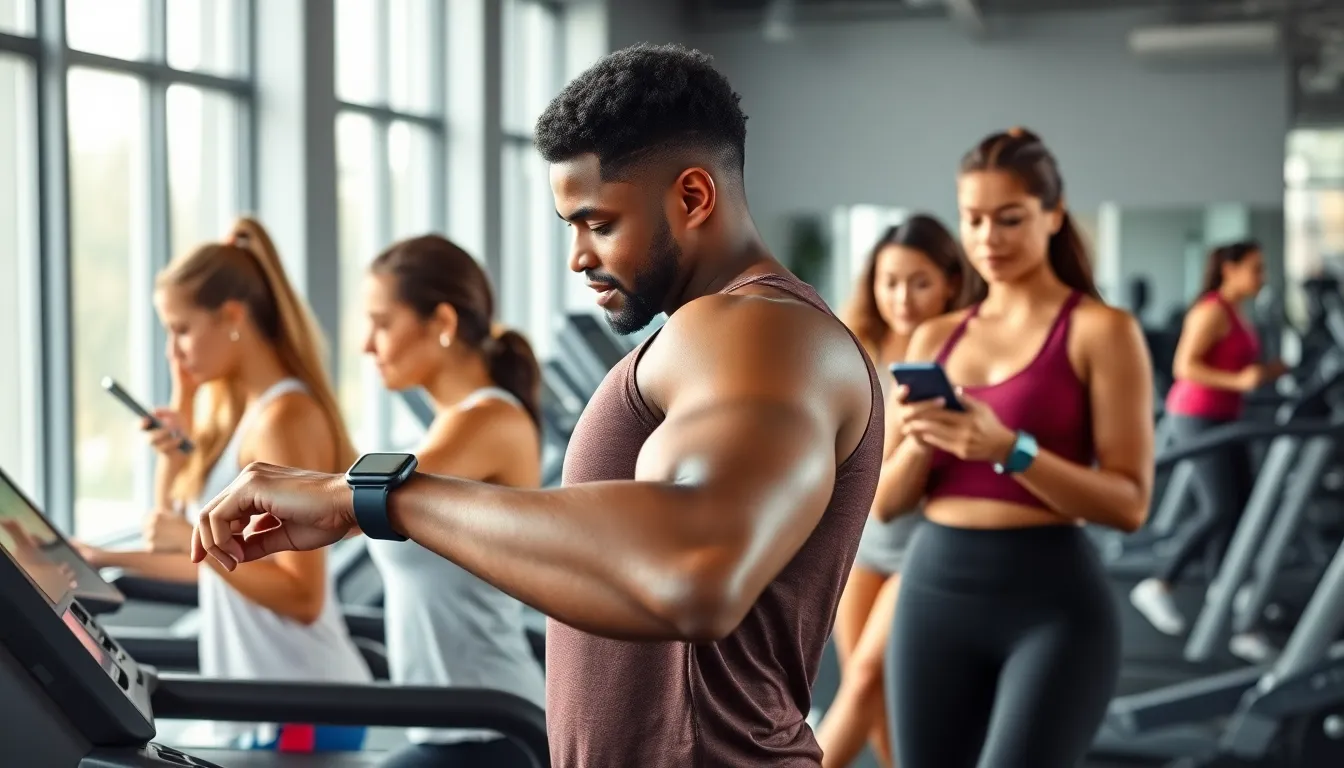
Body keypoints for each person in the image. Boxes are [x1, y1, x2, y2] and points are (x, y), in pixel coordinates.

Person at [188, 43, 883, 768]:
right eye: (571, 227)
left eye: (599, 223)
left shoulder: (758, 330)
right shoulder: (713, 337)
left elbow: (695, 573)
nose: (579, 256)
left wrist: (368, 498)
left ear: (693, 196)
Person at [874, 128, 1154, 768]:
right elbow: (886, 505)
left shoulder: (1100, 331)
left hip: (1050, 603)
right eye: (972, 220)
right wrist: (925, 442)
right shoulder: (934, 338)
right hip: (933, 590)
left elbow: (1130, 505)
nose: (988, 239)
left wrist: (1007, 448)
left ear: (1053, 216)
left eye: (1010, 219)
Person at [76, 218, 372, 751]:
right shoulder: (243, 415)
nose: (174, 350)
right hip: (264, 705)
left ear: (232, 317)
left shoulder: (285, 418)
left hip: (303, 701)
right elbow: (211, 559)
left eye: (181, 329)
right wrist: (100, 557)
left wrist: (192, 538)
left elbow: (301, 595)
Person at [360, 234, 546, 768]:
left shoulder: (489, 419)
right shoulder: (451, 428)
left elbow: (361, 500)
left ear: (440, 323)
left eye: (382, 322)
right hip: (452, 725)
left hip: (491, 731)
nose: (367, 345)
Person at [818, 215, 984, 768]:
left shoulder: (963, 354)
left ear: (951, 283)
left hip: (924, 547)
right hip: (862, 544)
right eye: (890, 281)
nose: (903, 298)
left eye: (919, 282)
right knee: (881, 711)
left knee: (864, 680)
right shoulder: (856, 348)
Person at [1130, 240, 1286, 638]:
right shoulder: (1211, 311)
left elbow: (1240, 369)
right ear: (1229, 269)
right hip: (1197, 416)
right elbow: (1184, 366)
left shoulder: (1236, 312)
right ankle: (1158, 583)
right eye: (1255, 267)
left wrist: (1267, 373)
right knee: (1219, 507)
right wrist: (1240, 380)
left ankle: (1224, 587)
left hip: (1227, 416)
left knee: (1240, 507)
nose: (1261, 276)